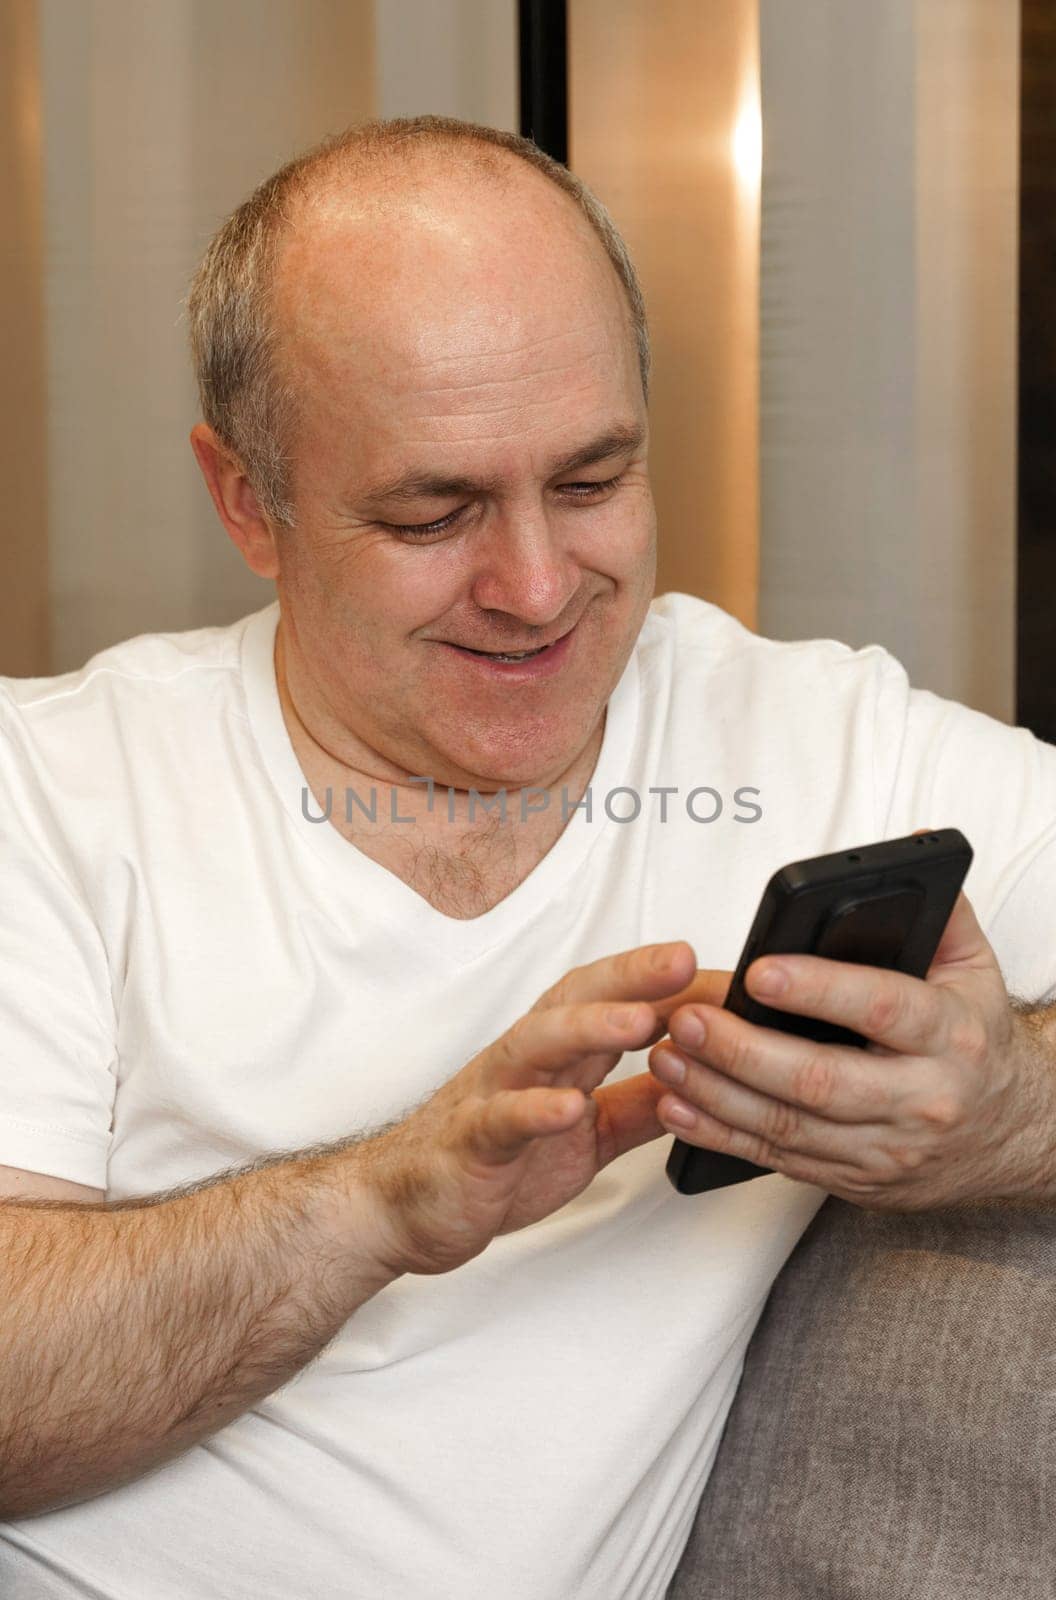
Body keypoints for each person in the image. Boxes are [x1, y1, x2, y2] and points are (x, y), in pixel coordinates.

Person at [0, 114, 1053, 1600]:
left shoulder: (825, 743)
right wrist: (379, 1205)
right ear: (251, 501)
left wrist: (1005, 1111)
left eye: (591, 480)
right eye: (434, 511)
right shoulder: (44, 787)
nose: (540, 588)